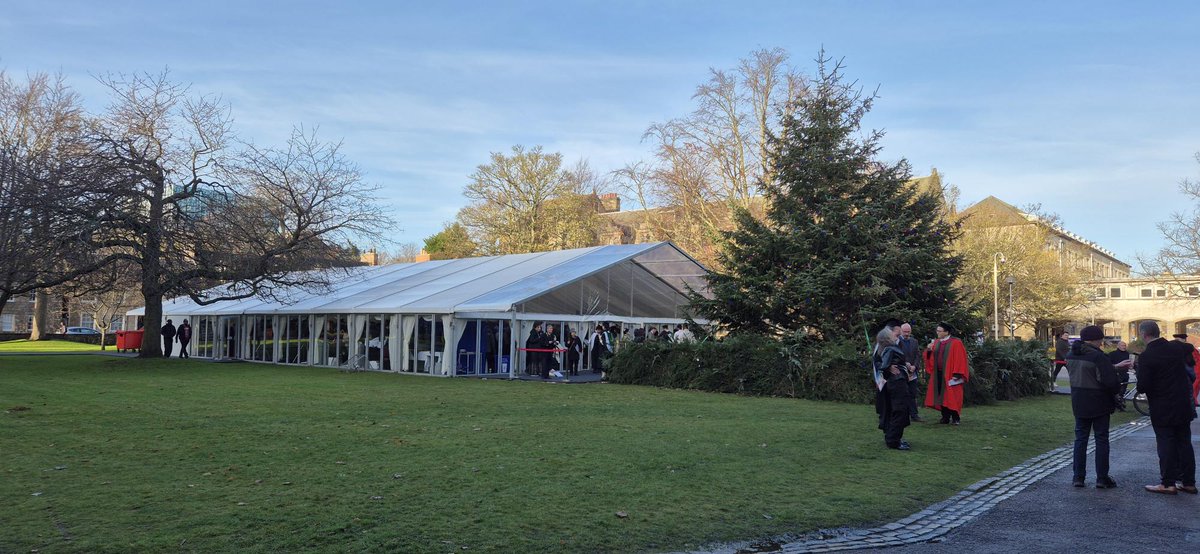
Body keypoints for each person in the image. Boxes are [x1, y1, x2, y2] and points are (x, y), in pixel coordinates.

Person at [1137, 322, 1197, 494]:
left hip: (1162, 405)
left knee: (1166, 443)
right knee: (1184, 443)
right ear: (1158, 332)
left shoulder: (1147, 356)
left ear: (1143, 335)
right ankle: (1188, 482)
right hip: (1182, 403)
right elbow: (1189, 348)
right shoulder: (1176, 348)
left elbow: (1142, 386)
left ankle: (1168, 483)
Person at [1066, 325, 1127, 488]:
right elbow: (1109, 381)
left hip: (1079, 400)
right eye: (1100, 339)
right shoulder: (1098, 356)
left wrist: (1113, 367)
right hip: (1099, 401)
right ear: (1095, 340)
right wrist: (1116, 385)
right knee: (1101, 439)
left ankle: (1078, 477)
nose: (1101, 343)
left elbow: (1087, 372)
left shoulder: (1071, 354)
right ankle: (1102, 477)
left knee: (1080, 439)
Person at [873, 326, 913, 450]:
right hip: (897, 382)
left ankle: (893, 438)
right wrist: (889, 367)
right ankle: (893, 440)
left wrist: (902, 365)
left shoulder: (888, 348)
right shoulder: (890, 348)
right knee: (900, 410)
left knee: (898, 410)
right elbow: (883, 365)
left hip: (897, 381)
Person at [923, 322, 970, 425]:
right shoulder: (936, 342)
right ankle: (945, 417)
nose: (937, 333)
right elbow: (930, 358)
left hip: (951, 374)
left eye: (939, 331)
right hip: (938, 374)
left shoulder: (956, 343)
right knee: (941, 396)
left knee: (952, 396)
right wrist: (929, 350)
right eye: (937, 331)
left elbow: (960, 359)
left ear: (947, 332)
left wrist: (957, 374)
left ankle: (955, 417)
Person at [897, 323, 924, 422]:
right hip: (901, 371)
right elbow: (895, 355)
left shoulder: (914, 341)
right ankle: (902, 415)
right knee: (902, 394)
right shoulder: (896, 341)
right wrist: (905, 364)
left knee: (912, 393)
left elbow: (917, 355)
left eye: (908, 332)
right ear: (900, 331)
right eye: (905, 332)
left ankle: (914, 415)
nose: (906, 334)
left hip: (912, 372)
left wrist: (914, 366)